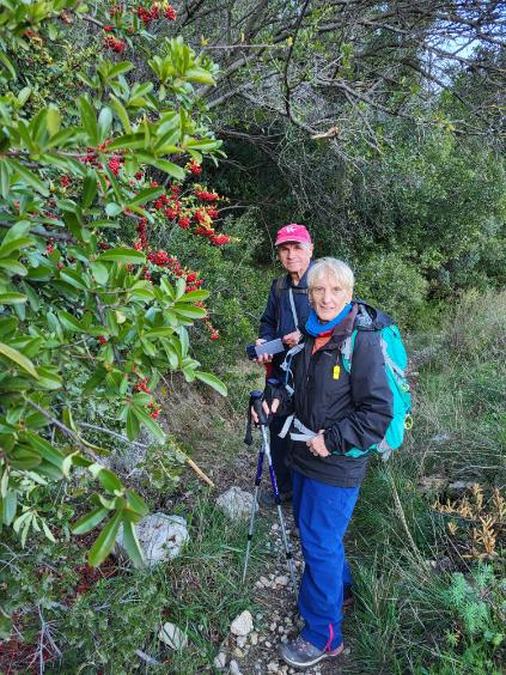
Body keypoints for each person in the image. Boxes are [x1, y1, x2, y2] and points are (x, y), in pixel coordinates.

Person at [254, 257, 394, 669]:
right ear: (309, 294)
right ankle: (343, 590)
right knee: (320, 537)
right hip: (304, 456)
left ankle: (323, 635)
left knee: (317, 543)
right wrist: (275, 400)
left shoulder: (360, 341)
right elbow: (297, 391)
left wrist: (330, 439)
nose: (326, 298)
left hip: (336, 464)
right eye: (318, 290)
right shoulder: (311, 337)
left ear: (349, 294)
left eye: (336, 291)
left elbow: (377, 413)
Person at [255, 223, 314, 504]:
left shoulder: (323, 282)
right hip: (280, 369)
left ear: (310, 249)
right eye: (284, 249)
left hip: (314, 370)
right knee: (277, 425)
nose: (290, 255)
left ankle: (309, 491)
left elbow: (340, 319)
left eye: (297, 248)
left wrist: (305, 333)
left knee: (307, 426)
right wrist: (264, 342)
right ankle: (283, 489)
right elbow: (268, 321)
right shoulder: (278, 286)